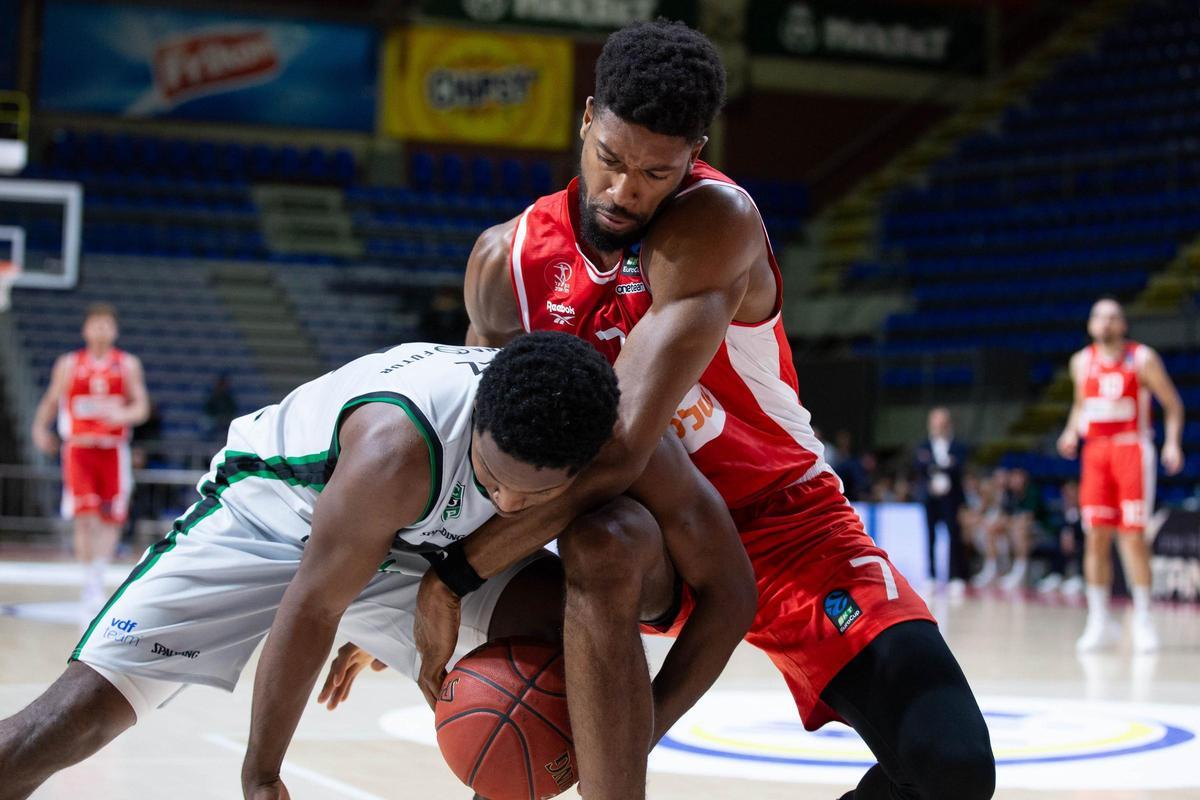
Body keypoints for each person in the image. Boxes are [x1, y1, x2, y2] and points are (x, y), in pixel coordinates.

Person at [414, 20, 994, 800]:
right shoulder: (505, 265)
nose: (625, 191)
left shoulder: (717, 223)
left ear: (695, 153)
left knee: (950, 767)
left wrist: (451, 575)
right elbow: (479, 457)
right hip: (647, 537)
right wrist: (417, 569)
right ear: (587, 118)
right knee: (606, 539)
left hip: (785, 523)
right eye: (611, 159)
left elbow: (620, 448)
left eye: (656, 172)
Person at [0, 333, 755, 800]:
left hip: (417, 549)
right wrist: (262, 773)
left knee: (547, 677)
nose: (505, 500)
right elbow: (314, 606)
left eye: (534, 497)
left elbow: (732, 593)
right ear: (478, 424)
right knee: (70, 723)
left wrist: (634, 731)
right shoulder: (395, 450)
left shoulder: (624, 443)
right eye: (492, 480)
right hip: (275, 516)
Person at [1057, 297, 1185, 653]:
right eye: (1099, 316)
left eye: (1113, 317)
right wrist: (1070, 431)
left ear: (1123, 325)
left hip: (1132, 448)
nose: (1106, 322)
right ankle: (1099, 620)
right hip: (1095, 450)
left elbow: (1173, 405)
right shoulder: (1081, 362)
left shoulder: (1141, 358)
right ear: (1090, 324)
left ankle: (1143, 618)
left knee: (1132, 537)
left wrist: (1172, 443)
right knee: (1095, 535)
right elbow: (1082, 405)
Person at [29, 303, 150, 622]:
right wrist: (40, 427)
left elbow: (141, 406)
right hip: (79, 449)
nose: (100, 330)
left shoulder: (127, 365)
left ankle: (98, 576)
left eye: (106, 325)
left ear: (115, 330)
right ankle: (89, 582)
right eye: (95, 324)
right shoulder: (69, 364)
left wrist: (123, 414)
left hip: (112, 449)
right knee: (84, 517)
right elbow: (52, 399)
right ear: (85, 329)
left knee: (111, 518)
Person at [913, 407, 969, 594]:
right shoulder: (923, 445)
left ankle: (955, 576)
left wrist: (937, 466)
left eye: (942, 422)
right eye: (936, 422)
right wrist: (943, 465)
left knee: (954, 535)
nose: (939, 426)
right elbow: (920, 466)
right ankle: (931, 575)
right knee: (930, 535)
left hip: (951, 499)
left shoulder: (958, 446)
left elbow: (959, 467)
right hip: (930, 498)